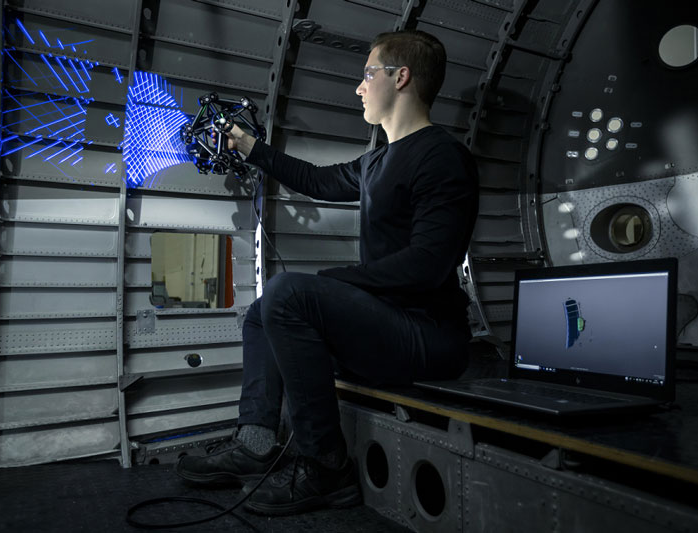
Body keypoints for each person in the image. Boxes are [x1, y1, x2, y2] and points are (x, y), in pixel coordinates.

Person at [176, 29, 479, 516]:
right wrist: (250, 147)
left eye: (367, 74)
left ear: (401, 77)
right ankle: (255, 444)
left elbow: (428, 264)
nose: (359, 87)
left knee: (289, 293)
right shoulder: (376, 161)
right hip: (385, 325)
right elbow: (317, 180)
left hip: (429, 337)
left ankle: (326, 467)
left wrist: (337, 279)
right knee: (261, 313)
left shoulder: (442, 156)